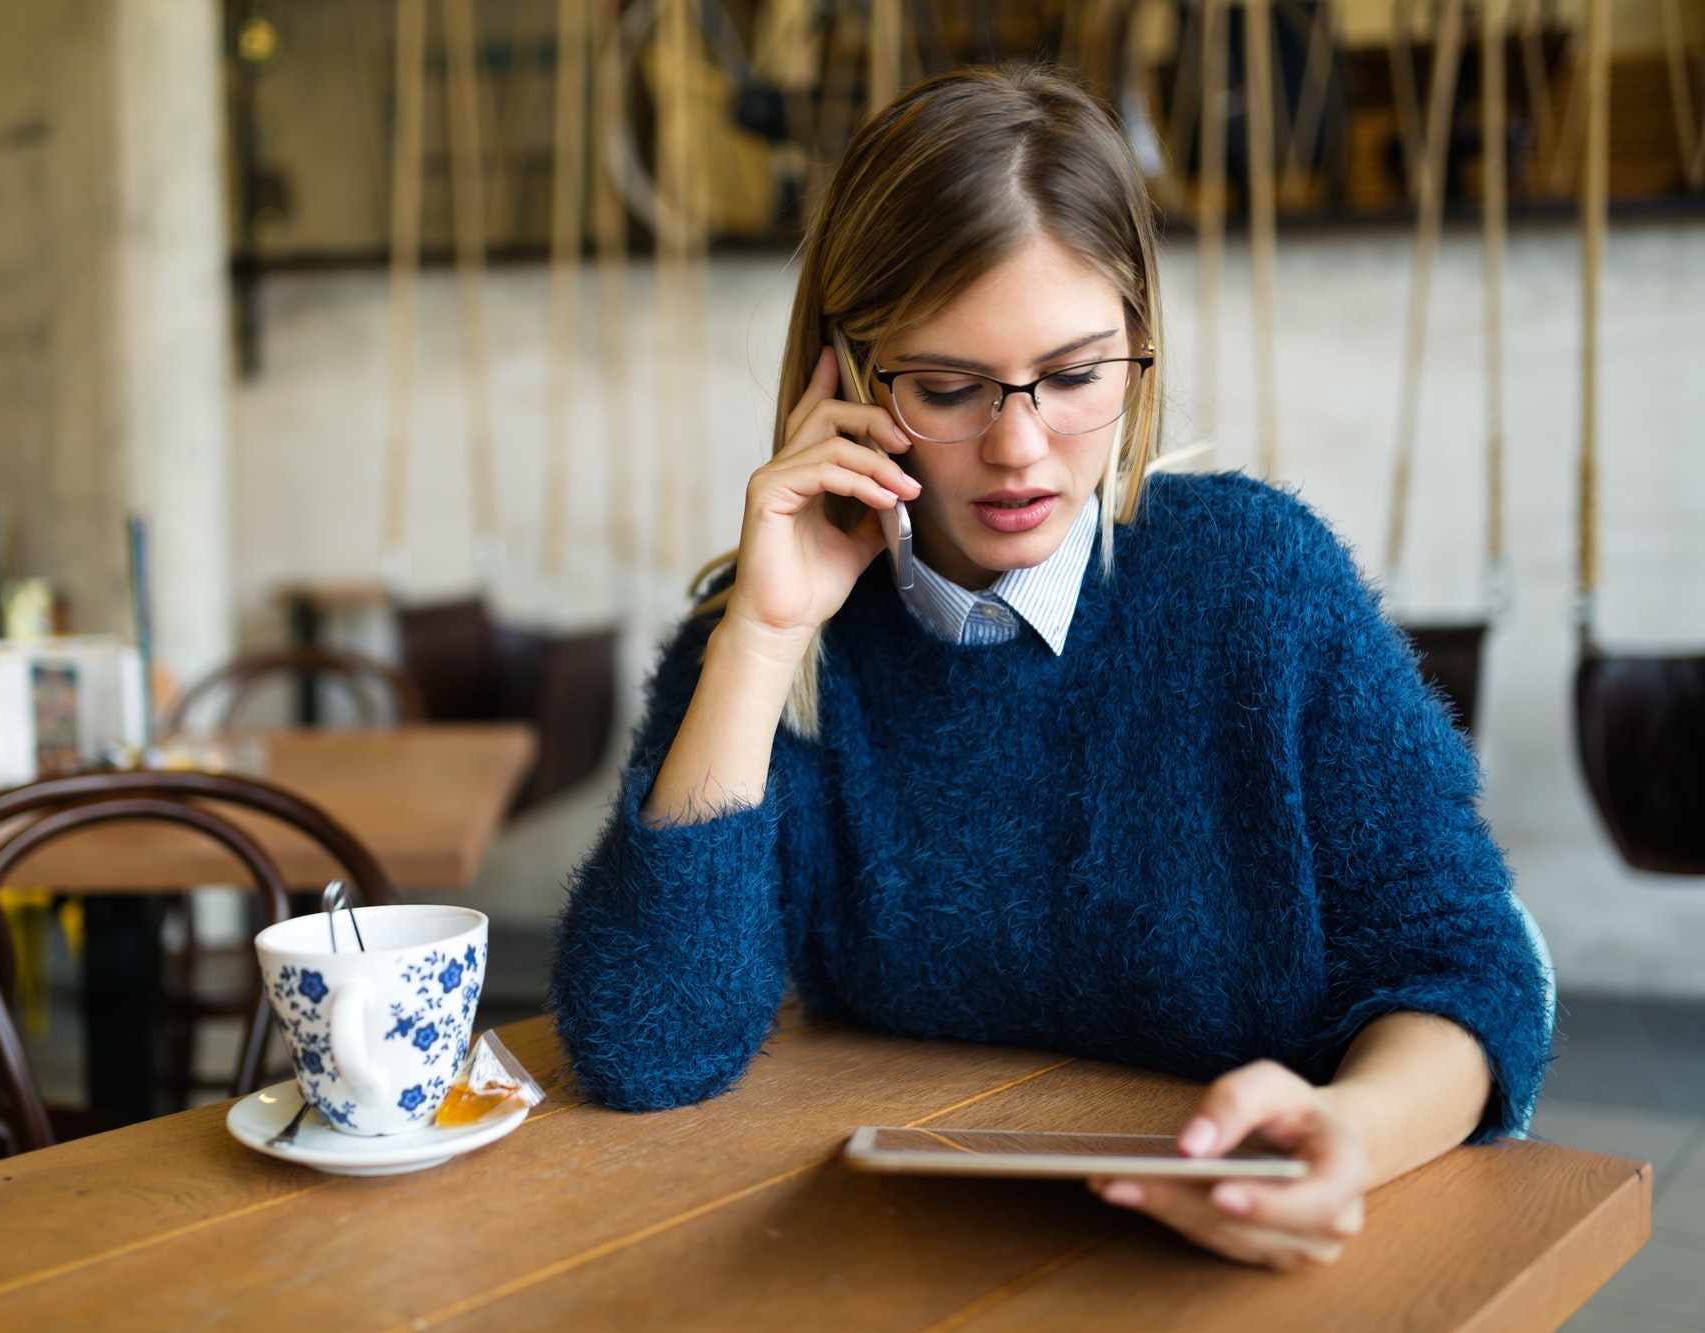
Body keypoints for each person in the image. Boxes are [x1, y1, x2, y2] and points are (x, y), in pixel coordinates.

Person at [549, 64, 1552, 1271]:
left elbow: (1468, 966)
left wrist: (1347, 1130)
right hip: (920, 1264)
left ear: (1138, 346)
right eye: (948, 387)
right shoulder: (775, 639)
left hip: (1244, 1259)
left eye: (1074, 377)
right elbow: (647, 1046)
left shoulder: (1254, 580)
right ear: (849, 377)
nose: (1018, 449)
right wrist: (763, 639)